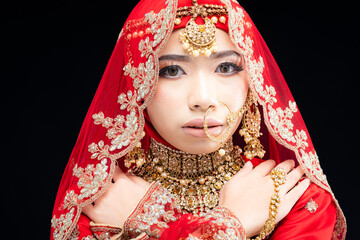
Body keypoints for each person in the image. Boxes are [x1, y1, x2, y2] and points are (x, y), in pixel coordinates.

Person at [51, 0, 346, 239]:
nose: (203, 98)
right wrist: (235, 224)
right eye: (171, 71)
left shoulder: (291, 196)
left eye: (227, 67)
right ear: (135, 83)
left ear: (253, 80)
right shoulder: (100, 195)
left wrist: (155, 223)